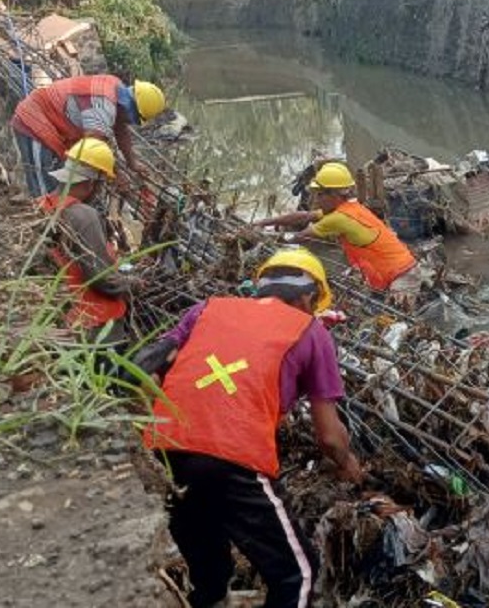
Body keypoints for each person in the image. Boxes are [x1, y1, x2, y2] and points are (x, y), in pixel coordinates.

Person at [138, 248, 364, 608]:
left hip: (165, 449)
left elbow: (148, 362)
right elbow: (330, 437)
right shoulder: (311, 331)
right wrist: (348, 463)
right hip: (232, 454)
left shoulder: (208, 308)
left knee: (208, 569)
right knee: (298, 574)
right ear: (309, 297)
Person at [257, 161, 421, 298]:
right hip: (393, 271)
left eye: (320, 195)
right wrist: (265, 222)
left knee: (394, 323)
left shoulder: (339, 219)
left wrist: (267, 239)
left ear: (333, 195)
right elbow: (305, 216)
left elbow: (300, 237)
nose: (316, 199)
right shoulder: (349, 207)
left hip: (402, 275)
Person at [11, 74, 165, 195]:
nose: (130, 123)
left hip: (55, 126)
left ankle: (55, 221)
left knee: (55, 181)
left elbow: (121, 129)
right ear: (129, 109)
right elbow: (92, 150)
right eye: (134, 119)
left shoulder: (116, 88)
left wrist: (132, 163)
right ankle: (43, 226)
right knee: (43, 188)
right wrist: (116, 176)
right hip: (34, 122)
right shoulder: (102, 108)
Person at [38, 137, 132, 332]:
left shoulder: (41, 204)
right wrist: (131, 284)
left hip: (64, 308)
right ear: (91, 183)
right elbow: (102, 279)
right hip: (93, 319)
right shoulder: (84, 216)